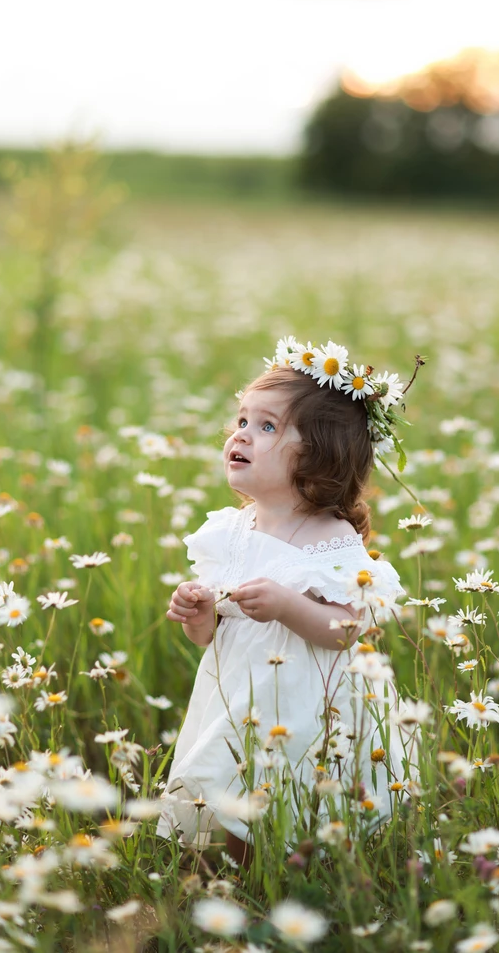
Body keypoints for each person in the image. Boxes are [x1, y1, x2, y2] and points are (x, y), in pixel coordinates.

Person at [156, 337, 419, 870]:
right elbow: (210, 638)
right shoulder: (230, 530)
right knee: (226, 788)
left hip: (305, 708)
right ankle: (222, 885)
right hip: (236, 697)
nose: (241, 434)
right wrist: (199, 615)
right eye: (242, 420)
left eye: (267, 427)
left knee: (277, 800)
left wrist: (286, 605)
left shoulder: (331, 540)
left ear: (319, 457)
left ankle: (277, 883)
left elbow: (349, 630)